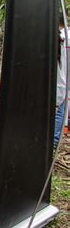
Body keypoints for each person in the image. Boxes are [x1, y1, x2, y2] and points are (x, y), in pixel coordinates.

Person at [54, 17, 67, 148]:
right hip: (60, 85)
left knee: (58, 111)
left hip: (60, 85)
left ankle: (53, 142)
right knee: (59, 112)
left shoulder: (62, 41)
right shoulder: (62, 40)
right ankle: (53, 142)